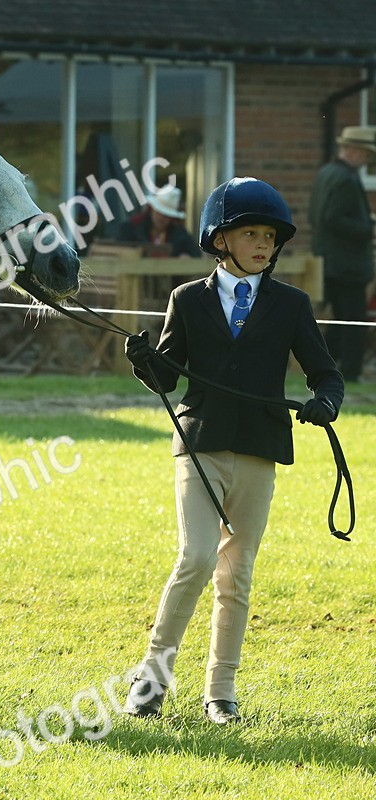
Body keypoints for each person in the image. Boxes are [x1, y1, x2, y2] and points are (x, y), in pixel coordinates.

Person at [121, 177, 344, 725]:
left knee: (236, 572)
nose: (263, 244)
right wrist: (145, 362)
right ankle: (152, 678)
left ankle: (221, 693)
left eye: (270, 236)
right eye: (251, 234)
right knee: (197, 557)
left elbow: (326, 373)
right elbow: (166, 379)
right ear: (220, 240)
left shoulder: (292, 304)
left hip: (260, 447)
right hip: (200, 445)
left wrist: (326, 403)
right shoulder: (187, 299)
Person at [309, 125, 376, 382]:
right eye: (365, 154)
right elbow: (333, 219)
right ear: (353, 150)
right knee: (354, 320)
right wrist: (368, 228)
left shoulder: (326, 172)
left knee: (339, 320)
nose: (366, 160)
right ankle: (350, 372)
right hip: (347, 263)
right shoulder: (346, 178)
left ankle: (321, 367)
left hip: (329, 259)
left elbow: (319, 216)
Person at [122, 184, 202, 258]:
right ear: (152, 209)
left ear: (172, 218)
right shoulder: (132, 228)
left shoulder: (180, 234)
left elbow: (196, 254)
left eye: (166, 215)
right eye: (159, 212)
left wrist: (187, 257)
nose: (161, 218)